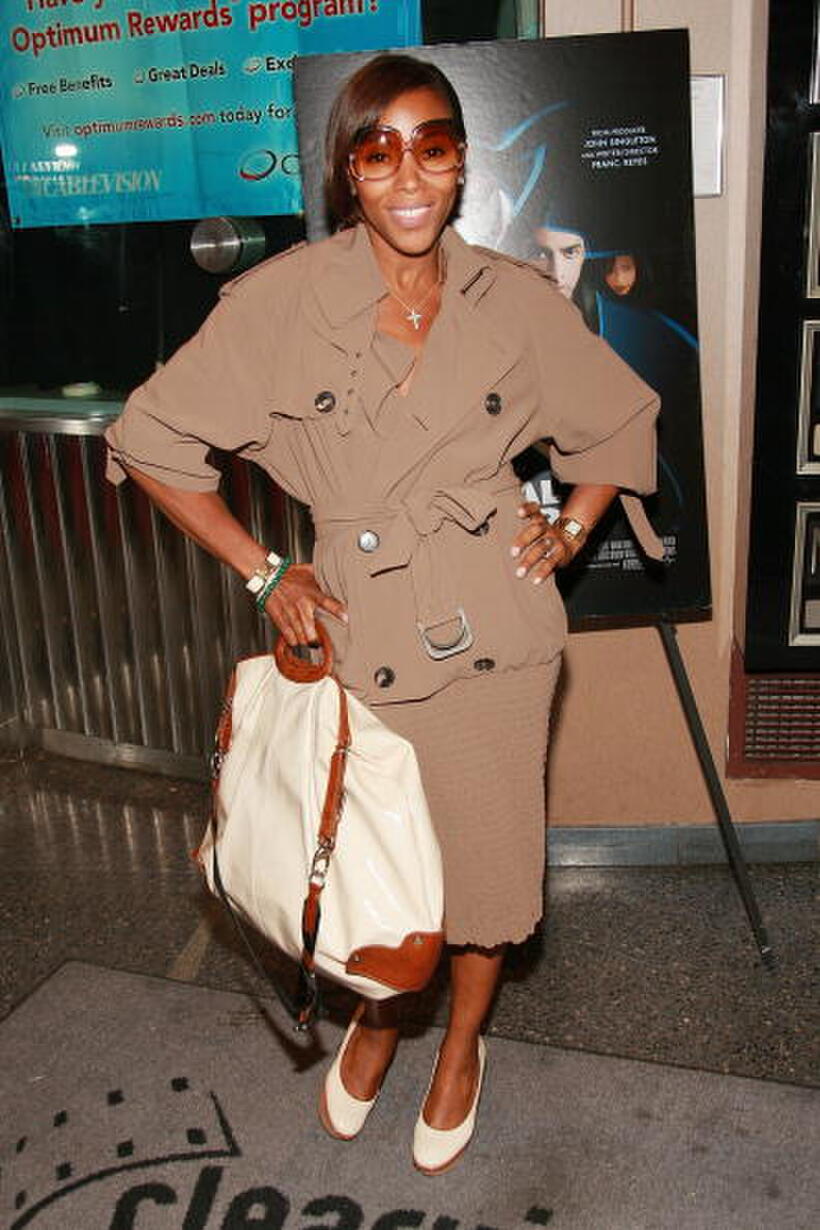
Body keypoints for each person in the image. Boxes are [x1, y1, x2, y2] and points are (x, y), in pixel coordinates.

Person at [105, 53, 659, 1174]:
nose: (409, 174)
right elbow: (150, 442)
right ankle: (380, 1013)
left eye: (432, 146)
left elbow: (614, 420)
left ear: (460, 164)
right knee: (372, 855)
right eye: (379, 150)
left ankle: (460, 1044)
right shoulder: (282, 302)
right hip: (361, 626)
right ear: (347, 173)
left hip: (497, 626)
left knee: (489, 869)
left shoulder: (515, 298)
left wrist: (568, 528)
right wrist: (267, 573)